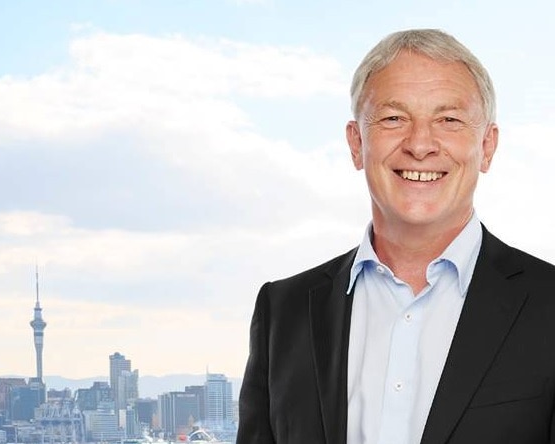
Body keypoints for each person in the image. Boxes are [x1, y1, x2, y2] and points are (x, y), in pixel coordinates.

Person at [236, 28, 555, 444]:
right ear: (356, 144)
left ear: (487, 146)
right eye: (393, 119)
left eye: (449, 120)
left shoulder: (549, 307)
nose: (420, 144)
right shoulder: (284, 312)